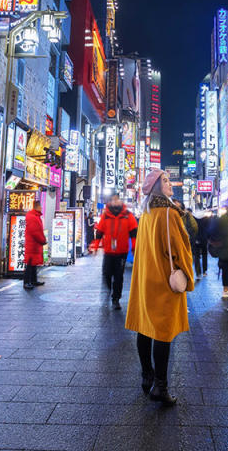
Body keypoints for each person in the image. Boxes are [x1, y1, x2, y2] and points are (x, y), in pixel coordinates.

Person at [124, 169, 194, 405]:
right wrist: (188, 274)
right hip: (164, 282)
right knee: (163, 334)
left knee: (144, 328)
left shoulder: (145, 214)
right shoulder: (169, 214)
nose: (170, 184)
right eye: (165, 181)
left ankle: (147, 376)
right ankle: (161, 387)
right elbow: (179, 251)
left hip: (145, 280)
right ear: (156, 188)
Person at [95, 193, 138, 310]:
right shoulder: (106, 215)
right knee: (107, 274)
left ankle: (116, 298)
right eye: (113, 200)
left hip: (122, 252)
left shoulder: (127, 215)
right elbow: (99, 230)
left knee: (119, 276)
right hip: (108, 251)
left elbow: (134, 232)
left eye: (117, 199)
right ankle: (108, 291)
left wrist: (134, 247)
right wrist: (95, 245)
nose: (115, 202)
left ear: (120, 201)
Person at [24, 199, 47, 290]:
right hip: (32, 244)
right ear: (36, 207)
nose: (41, 208)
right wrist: (42, 240)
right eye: (40, 206)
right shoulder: (32, 217)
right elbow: (35, 231)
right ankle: (27, 282)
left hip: (35, 244)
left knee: (33, 264)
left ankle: (33, 280)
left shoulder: (35, 216)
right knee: (30, 264)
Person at [191, 212, 210, 278]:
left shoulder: (193, 219)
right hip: (204, 240)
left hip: (196, 239)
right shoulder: (206, 219)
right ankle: (204, 271)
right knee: (204, 255)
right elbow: (209, 229)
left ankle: (198, 273)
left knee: (196, 256)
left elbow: (192, 229)